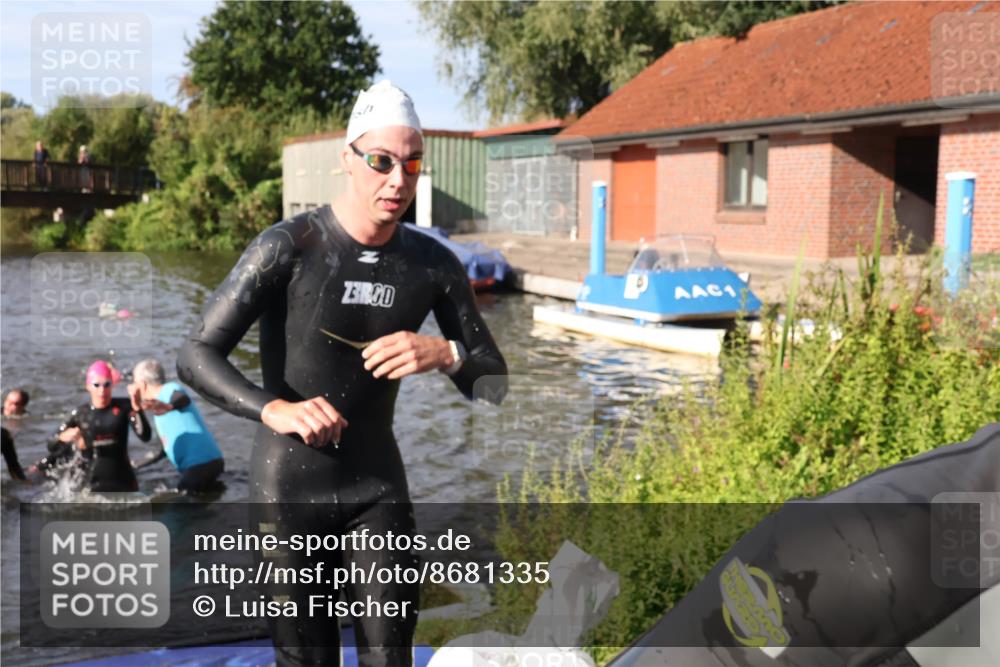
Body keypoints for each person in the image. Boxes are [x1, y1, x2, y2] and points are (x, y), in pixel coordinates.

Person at [177, 79, 508, 667]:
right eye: (381, 161)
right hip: (287, 493)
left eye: (412, 163)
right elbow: (196, 355)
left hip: (376, 489)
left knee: (390, 659)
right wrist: (274, 409)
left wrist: (444, 354)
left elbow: (494, 385)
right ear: (347, 160)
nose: (398, 180)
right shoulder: (288, 247)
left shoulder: (432, 264)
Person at [34, 360, 151, 492]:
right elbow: (51, 445)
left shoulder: (125, 407)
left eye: (107, 384)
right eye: (96, 385)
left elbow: (145, 436)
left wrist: (138, 408)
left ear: (112, 385)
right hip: (91, 485)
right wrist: (61, 438)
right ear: (88, 386)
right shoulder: (81, 414)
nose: (102, 390)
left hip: (123, 482)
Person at [130, 358, 224, 493]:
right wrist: (136, 466)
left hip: (199, 465)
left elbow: (181, 398)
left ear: (142, 384)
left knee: (179, 503)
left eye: (134, 382)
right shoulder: (160, 408)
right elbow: (164, 450)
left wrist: (168, 407)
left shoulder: (169, 390)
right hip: (208, 464)